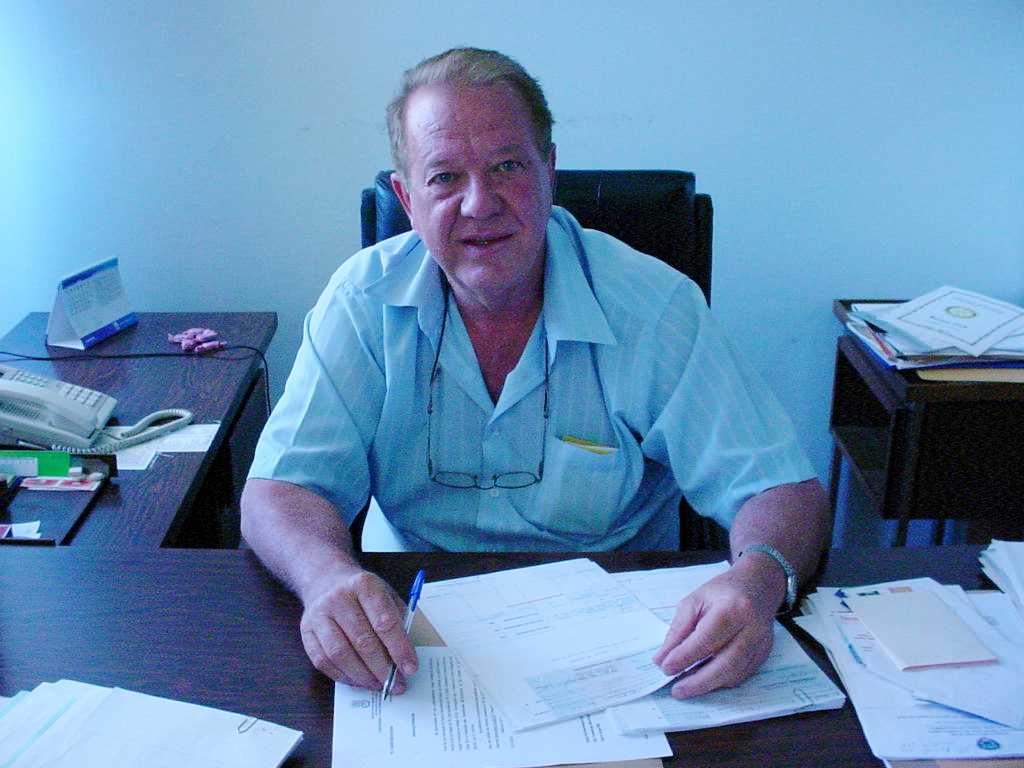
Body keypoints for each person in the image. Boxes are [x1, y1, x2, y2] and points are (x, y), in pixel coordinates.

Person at [241, 47, 831, 700]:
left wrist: (756, 581)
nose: (480, 203)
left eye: (507, 166)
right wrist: (325, 577)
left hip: (624, 645)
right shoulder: (362, 301)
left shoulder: (654, 307)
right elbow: (281, 489)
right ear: (407, 198)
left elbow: (779, 489)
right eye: (444, 177)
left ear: (549, 172)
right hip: (411, 629)